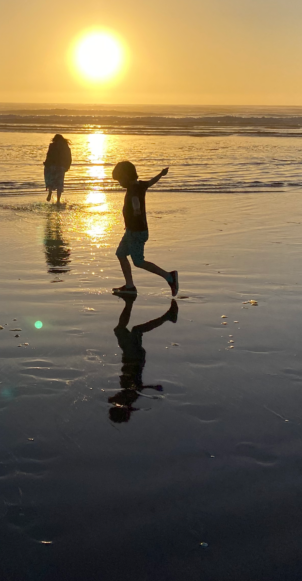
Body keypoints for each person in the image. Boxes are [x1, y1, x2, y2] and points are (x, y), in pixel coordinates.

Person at [111, 160, 179, 296]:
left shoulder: (133, 189)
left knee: (138, 261)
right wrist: (161, 174)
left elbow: (135, 200)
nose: (119, 183)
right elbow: (151, 182)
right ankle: (129, 286)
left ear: (126, 176)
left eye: (119, 179)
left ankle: (170, 277)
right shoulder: (141, 185)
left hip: (136, 232)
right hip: (132, 231)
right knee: (121, 254)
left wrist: (136, 210)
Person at [108, 297, 178, 423]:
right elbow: (138, 387)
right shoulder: (130, 395)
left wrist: (152, 387)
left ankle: (129, 303)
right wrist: (153, 388)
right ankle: (168, 316)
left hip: (130, 356)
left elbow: (139, 388)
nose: (114, 400)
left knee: (120, 329)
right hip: (134, 357)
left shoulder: (128, 395)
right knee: (136, 330)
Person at [43, 134, 72, 203]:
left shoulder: (52, 146)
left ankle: (50, 192)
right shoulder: (66, 147)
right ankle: (58, 200)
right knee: (59, 183)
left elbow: (48, 156)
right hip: (61, 167)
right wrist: (67, 166)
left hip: (52, 166)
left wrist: (46, 164)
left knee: (50, 180)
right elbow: (69, 158)